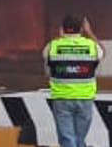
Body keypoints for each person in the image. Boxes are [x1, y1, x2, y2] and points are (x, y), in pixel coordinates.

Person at [44, 15, 105, 147]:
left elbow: (46, 56)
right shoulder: (91, 46)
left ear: (62, 29)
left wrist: (60, 37)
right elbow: (103, 52)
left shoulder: (53, 46)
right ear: (81, 29)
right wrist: (90, 33)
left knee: (68, 139)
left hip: (62, 98)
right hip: (85, 98)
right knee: (79, 139)